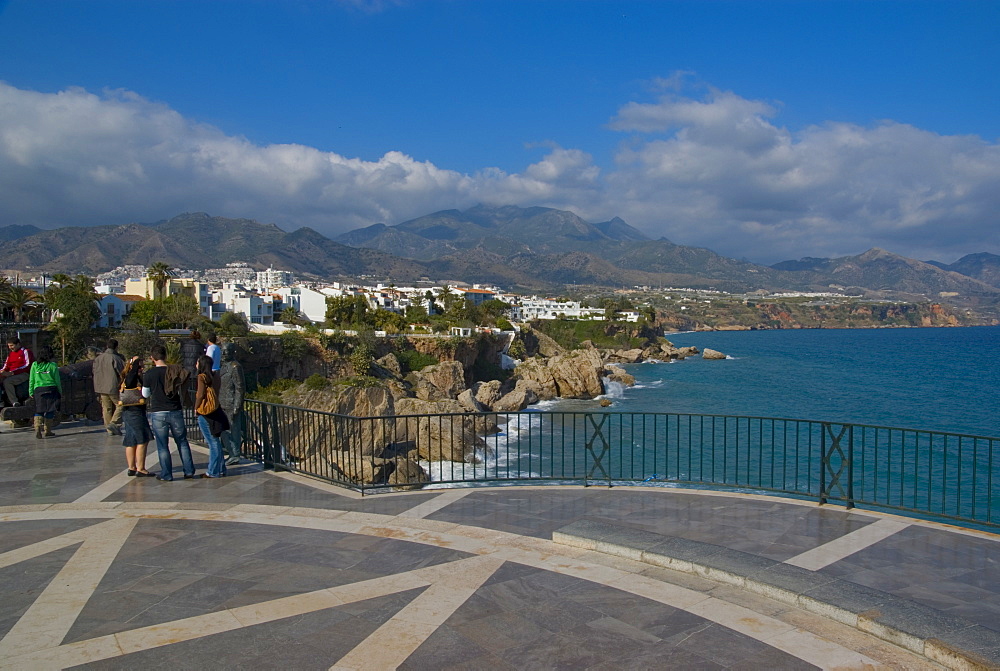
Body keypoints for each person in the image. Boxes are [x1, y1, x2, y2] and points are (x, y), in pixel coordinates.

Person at [142, 344, 196, 481]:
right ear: (165, 356)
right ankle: (189, 471)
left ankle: (167, 474)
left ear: (152, 358)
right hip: (175, 409)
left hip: (158, 411)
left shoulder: (149, 374)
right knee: (182, 442)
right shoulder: (174, 370)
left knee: (162, 445)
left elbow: (145, 394)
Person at [195, 354, 229, 478]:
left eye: (198, 362)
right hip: (216, 410)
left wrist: (196, 407)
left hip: (206, 412)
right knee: (216, 440)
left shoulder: (201, 377)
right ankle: (221, 468)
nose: (196, 364)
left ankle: (213, 471)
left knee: (212, 442)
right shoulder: (216, 376)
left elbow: (200, 395)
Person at [120, 355, 155, 477]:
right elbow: (131, 382)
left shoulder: (127, 377)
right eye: (140, 366)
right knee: (142, 439)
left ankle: (132, 467)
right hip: (135, 412)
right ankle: (140, 468)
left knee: (131, 439)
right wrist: (135, 365)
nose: (141, 368)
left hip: (129, 411)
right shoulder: (131, 377)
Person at [219, 343, 245, 465]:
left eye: (226, 351)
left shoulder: (235, 367)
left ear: (232, 352)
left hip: (230, 403)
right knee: (225, 431)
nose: (224, 354)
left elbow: (240, 387)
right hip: (222, 402)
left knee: (232, 431)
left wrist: (237, 406)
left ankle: (235, 455)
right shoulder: (224, 365)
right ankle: (230, 452)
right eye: (222, 351)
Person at [93, 339, 125, 436]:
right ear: (116, 347)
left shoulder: (98, 358)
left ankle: (109, 429)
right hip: (113, 386)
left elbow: (94, 371)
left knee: (106, 408)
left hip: (101, 386)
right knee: (121, 404)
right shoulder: (116, 358)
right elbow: (122, 373)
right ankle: (114, 423)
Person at [28, 345, 61, 439]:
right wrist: (60, 391)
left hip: (38, 390)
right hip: (51, 389)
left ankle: (37, 428)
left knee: (39, 409)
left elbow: (31, 379)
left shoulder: (34, 365)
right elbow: (57, 380)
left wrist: (31, 391)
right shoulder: (53, 365)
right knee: (50, 409)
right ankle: (48, 431)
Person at [0, 337, 34, 406]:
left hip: (23, 374)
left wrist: (12, 373)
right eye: (9, 346)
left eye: (12, 345)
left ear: (18, 344)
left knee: (8, 381)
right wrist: (2, 372)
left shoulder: (26, 351)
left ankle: (14, 402)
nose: (10, 348)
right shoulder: (10, 354)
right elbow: (6, 365)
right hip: (11, 373)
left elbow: (27, 365)